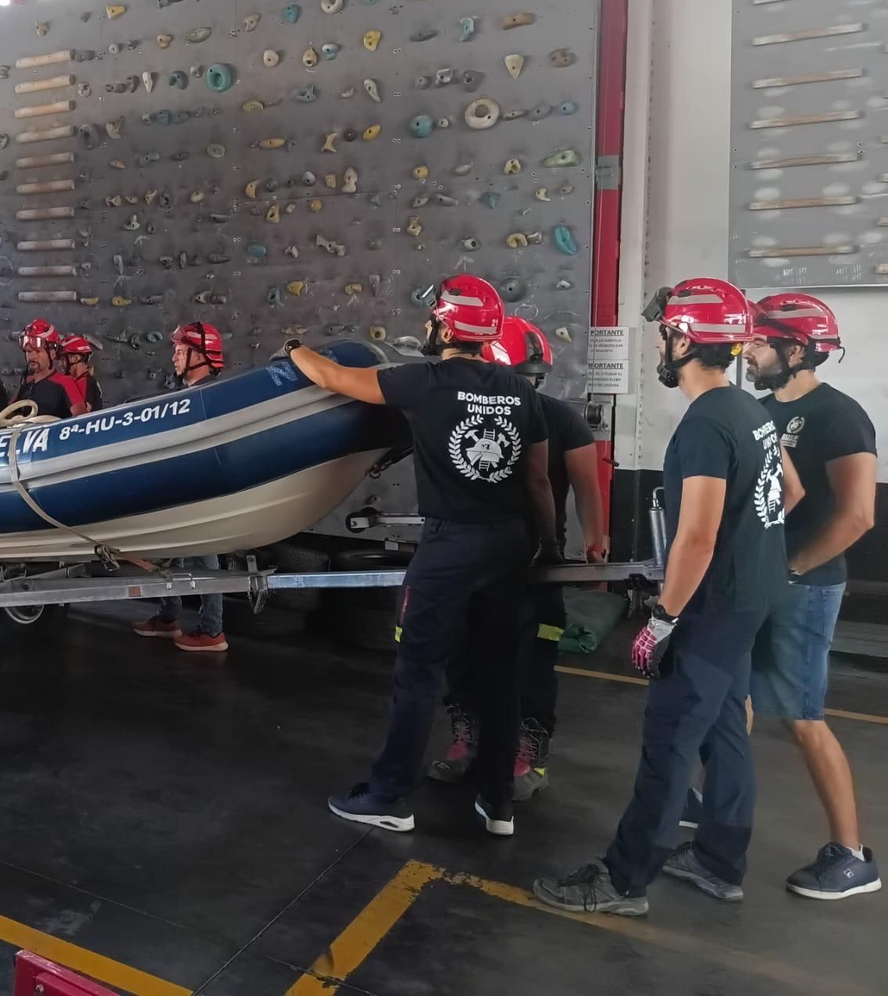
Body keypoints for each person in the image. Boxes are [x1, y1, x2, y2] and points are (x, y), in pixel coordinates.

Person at [535, 277, 797, 916]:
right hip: (750, 596)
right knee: (726, 729)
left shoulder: (706, 424)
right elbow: (789, 492)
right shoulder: (749, 410)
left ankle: (623, 881)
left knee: (671, 740)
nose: (659, 344)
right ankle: (718, 861)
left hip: (709, 607)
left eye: (665, 334)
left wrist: (663, 617)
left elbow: (698, 537)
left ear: (685, 341)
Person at [288, 276, 555, 837]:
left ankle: (389, 796)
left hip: (450, 546)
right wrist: (547, 547)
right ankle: (498, 803)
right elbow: (537, 480)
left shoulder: (424, 382)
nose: (428, 327)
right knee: (500, 675)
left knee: (419, 673)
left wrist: (293, 349)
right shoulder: (521, 392)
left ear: (448, 329)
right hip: (510, 544)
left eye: (434, 320)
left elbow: (333, 377)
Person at [429, 316, 608, 800]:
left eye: (534, 378)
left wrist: (596, 546)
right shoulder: (466, 413)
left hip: (536, 562)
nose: (527, 387)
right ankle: (469, 738)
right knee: (465, 650)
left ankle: (529, 753)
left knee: (534, 659)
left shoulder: (562, 419)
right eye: (520, 377)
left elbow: (587, 488)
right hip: (475, 556)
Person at [744, 292, 880, 900]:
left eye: (760, 342)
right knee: (736, 697)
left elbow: (857, 516)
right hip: (760, 580)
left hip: (805, 586)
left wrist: (793, 567)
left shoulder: (839, 415)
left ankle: (851, 856)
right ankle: (714, 803)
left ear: (796, 350)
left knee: (803, 718)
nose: (747, 352)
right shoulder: (758, 410)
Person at [132, 322, 230, 652]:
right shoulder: (187, 395)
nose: (174, 357)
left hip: (199, 491)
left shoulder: (209, 396)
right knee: (170, 557)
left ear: (199, 356)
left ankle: (212, 631)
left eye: (180, 351)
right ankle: (168, 617)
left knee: (205, 561)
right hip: (181, 490)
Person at [12, 319, 73, 419]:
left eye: (37, 351)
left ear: (52, 353)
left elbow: (82, 421)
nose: (32, 356)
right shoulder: (26, 384)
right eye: (28, 351)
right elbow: (7, 414)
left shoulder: (66, 383)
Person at [59, 335, 104, 416]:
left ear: (76, 358)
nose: (60, 364)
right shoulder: (85, 380)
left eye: (63, 359)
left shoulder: (84, 381)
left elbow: (81, 414)